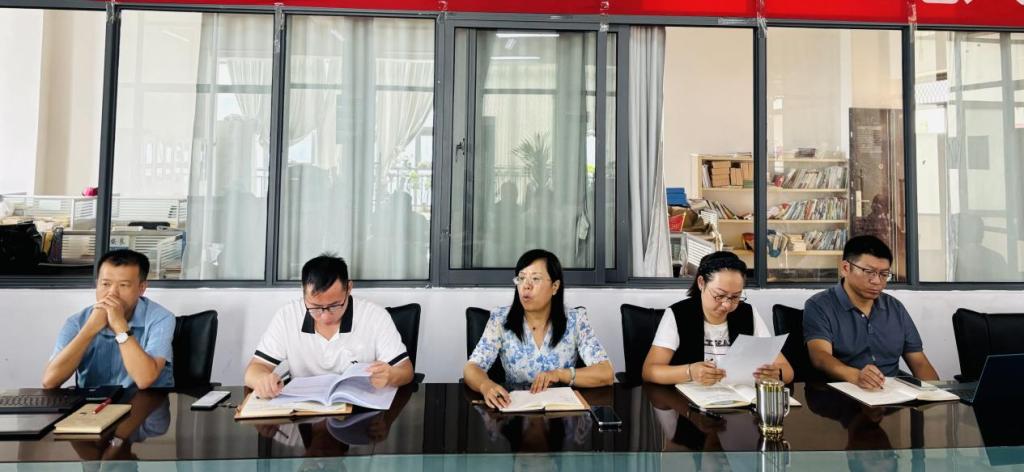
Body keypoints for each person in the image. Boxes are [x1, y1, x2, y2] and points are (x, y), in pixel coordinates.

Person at [244, 254, 413, 399]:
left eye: (334, 306)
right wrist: (262, 380)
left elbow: (406, 371)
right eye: (315, 307)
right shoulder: (287, 316)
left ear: (349, 288)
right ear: (303, 291)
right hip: (303, 410)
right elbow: (255, 369)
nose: (325, 316)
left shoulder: (374, 316)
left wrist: (391, 376)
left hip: (358, 409)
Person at [464, 249, 613, 409]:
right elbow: (471, 368)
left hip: (561, 412)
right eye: (521, 278)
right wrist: (485, 385)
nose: (526, 286)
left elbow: (606, 373)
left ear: (555, 286)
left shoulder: (575, 320)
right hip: (515, 410)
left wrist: (560, 374)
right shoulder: (500, 319)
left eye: (535, 279)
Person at [804, 235, 938, 390]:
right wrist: (856, 376)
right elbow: (820, 357)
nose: (877, 281)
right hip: (843, 394)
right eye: (869, 272)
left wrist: (936, 394)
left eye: (884, 274)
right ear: (846, 268)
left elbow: (919, 362)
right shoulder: (819, 305)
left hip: (892, 395)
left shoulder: (895, 308)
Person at [642, 251, 794, 385]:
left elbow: (787, 371)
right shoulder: (678, 314)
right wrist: (689, 372)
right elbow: (649, 371)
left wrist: (776, 374)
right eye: (719, 296)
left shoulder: (748, 313)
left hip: (740, 400)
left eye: (735, 297)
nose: (727, 305)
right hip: (689, 402)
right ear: (701, 283)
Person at [43, 250, 175, 389]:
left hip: (146, 400)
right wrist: (89, 329)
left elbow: (145, 379)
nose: (112, 293)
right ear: (97, 284)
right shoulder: (76, 321)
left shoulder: (161, 318)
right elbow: (49, 381)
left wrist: (119, 325)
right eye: (105, 284)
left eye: (123, 285)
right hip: (93, 400)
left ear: (141, 288)